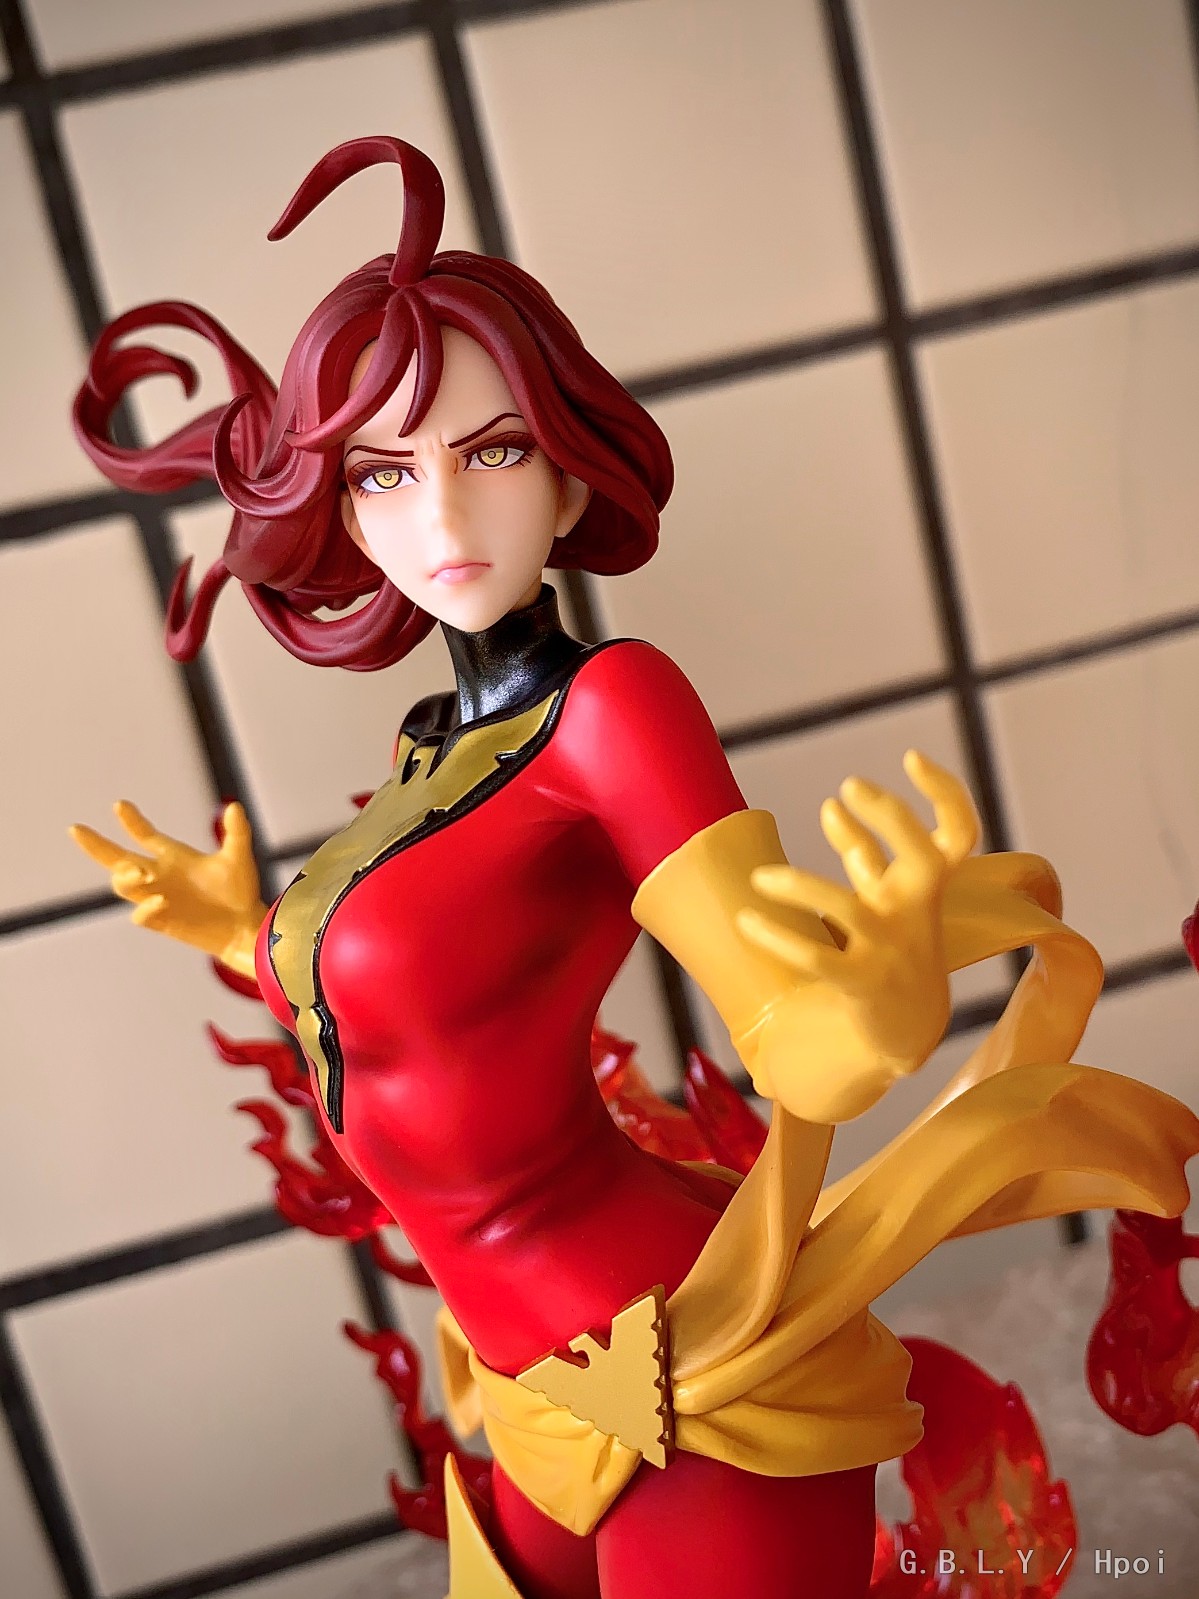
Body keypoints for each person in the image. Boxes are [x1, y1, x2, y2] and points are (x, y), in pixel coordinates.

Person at [70, 137, 1199, 1599]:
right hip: (527, 1389)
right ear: (342, 510)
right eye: (385, 473)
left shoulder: (610, 710)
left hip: (682, 1369)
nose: (444, 518)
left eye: (491, 452)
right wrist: (254, 935)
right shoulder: (429, 753)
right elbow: (418, 1024)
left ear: (566, 469)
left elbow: (790, 1027)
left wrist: (872, 999)